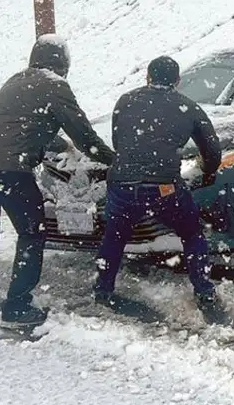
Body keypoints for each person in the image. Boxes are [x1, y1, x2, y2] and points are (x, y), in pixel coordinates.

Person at [0, 34, 115, 328]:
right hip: (8, 168)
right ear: (63, 63)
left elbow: (25, 123)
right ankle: (17, 307)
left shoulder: (17, 80)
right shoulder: (55, 85)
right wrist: (115, 161)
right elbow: (85, 136)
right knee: (32, 231)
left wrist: (62, 146)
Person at [95, 55, 222, 311]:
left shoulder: (126, 100)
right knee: (191, 231)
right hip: (164, 187)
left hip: (122, 183)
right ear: (177, 81)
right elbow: (212, 149)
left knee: (115, 235)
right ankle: (204, 289)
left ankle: (103, 288)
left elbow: (119, 142)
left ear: (148, 77)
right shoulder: (187, 107)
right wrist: (208, 172)